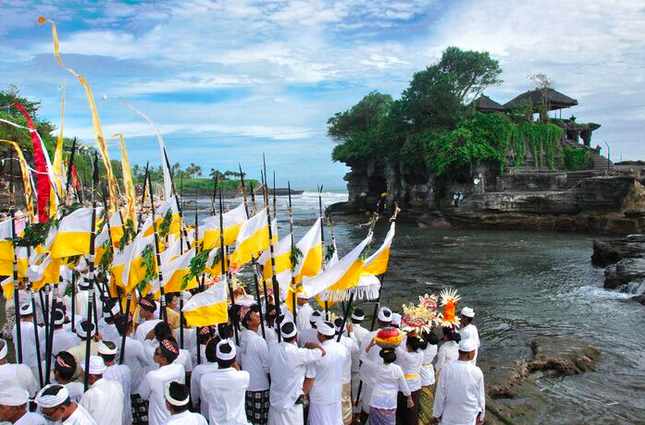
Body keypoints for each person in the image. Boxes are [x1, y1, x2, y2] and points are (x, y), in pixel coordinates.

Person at [268, 321, 324, 425]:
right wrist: (308, 343)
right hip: (292, 401)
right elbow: (322, 352)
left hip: (276, 397)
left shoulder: (273, 349)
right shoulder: (299, 354)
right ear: (296, 335)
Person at [304, 321, 349, 425]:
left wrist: (304, 394)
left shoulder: (316, 353)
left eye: (318, 333)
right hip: (336, 393)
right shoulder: (342, 349)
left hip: (320, 396)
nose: (316, 335)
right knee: (335, 420)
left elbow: (310, 378)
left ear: (322, 335)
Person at [360, 338, 412, 425]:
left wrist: (370, 345)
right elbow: (404, 386)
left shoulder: (377, 367)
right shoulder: (397, 369)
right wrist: (409, 398)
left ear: (382, 356)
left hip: (376, 399)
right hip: (390, 401)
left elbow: (362, 357)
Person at [432, 339, 485, 425]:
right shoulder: (476, 371)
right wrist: (482, 415)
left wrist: (437, 413)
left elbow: (440, 394)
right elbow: (480, 397)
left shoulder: (447, 368)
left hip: (449, 416)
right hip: (468, 416)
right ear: (470, 354)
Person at [200, 340, 250, 425]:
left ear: (217, 358)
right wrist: (234, 362)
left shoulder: (205, 379)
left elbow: (206, 399)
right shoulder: (244, 376)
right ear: (234, 359)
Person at [139, 339, 186, 425]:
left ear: (163, 360)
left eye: (156, 352)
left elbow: (143, 395)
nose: (154, 352)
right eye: (156, 349)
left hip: (158, 421)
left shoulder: (152, 376)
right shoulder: (180, 368)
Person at [359, 306, 393, 420]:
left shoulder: (369, 336)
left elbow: (362, 354)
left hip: (371, 377)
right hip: (388, 378)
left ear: (378, 322)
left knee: (368, 407)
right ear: (391, 322)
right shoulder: (397, 337)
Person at [115, 314, 150, 425]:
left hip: (121, 387)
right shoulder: (135, 345)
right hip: (136, 388)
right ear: (130, 328)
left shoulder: (113, 343)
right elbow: (146, 362)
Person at [239, 308, 270, 425]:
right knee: (260, 420)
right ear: (248, 322)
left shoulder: (244, 337)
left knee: (251, 419)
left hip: (248, 385)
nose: (258, 316)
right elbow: (267, 365)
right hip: (260, 386)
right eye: (254, 316)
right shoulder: (258, 340)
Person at [79, 356, 125, 425]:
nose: (80, 376)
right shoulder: (117, 386)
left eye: (82, 374)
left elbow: (81, 420)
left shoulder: (90, 395)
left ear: (92, 378)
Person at [98, 340, 132, 425]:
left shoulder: (103, 376)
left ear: (99, 355)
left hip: (114, 418)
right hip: (127, 415)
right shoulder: (126, 369)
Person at [334, 318, 358, 425]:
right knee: (344, 405)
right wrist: (351, 333)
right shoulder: (348, 341)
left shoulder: (327, 342)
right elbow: (356, 348)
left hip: (332, 379)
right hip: (344, 379)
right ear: (344, 330)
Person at [395, 335, 424, 425]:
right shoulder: (421, 353)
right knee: (413, 410)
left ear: (408, 345)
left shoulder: (406, 356)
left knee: (402, 409)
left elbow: (396, 347)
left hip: (405, 385)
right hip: (416, 384)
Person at [12, 303, 43, 378]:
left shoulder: (16, 326)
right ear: (32, 314)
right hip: (33, 362)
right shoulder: (35, 328)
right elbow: (42, 343)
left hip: (20, 360)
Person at [190, 337, 219, 413]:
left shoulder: (197, 370)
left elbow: (194, 393)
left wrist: (195, 404)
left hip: (205, 410)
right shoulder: (224, 370)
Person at [418, 332, 441, 425]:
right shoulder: (434, 347)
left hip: (423, 375)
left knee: (423, 402)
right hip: (430, 372)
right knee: (429, 398)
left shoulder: (421, 350)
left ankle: (423, 420)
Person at [349, 309, 368, 415]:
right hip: (359, 363)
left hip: (346, 363)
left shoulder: (345, 329)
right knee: (358, 388)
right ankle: (357, 413)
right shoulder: (366, 333)